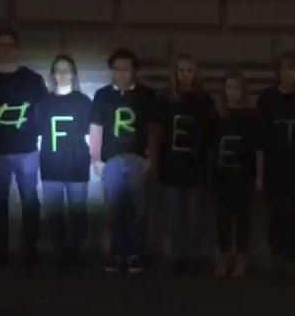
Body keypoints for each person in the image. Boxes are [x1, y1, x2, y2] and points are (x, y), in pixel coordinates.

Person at [0, 27, 47, 267]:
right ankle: (0, 250)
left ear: (16, 48)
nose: (5, 49)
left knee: (30, 201)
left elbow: (42, 111)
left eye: (9, 44)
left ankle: (30, 248)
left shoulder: (32, 79)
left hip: (27, 150)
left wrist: (31, 132)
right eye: (1, 44)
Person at [90, 48, 160, 274]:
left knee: (138, 209)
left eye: (126, 68)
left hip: (137, 159)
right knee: (113, 210)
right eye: (117, 68)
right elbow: (96, 127)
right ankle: (117, 251)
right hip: (110, 160)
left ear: (134, 71)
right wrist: (96, 159)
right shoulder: (102, 95)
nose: (121, 73)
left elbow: (153, 129)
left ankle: (135, 253)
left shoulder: (146, 95)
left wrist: (151, 158)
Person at [257, 51, 295, 272]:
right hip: (274, 166)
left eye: (292, 69)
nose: (287, 73)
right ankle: (276, 255)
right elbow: (261, 138)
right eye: (283, 68)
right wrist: (260, 172)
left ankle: (291, 256)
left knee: (294, 213)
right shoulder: (268, 98)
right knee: (275, 213)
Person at [158, 55, 218, 276]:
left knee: (194, 216)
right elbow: (158, 134)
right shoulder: (165, 100)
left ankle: (193, 256)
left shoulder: (205, 101)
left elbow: (212, 136)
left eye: (189, 70)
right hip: (171, 165)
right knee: (174, 215)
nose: (185, 74)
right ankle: (175, 256)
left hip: (196, 166)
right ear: (175, 73)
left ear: (196, 74)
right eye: (181, 70)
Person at [35, 55, 92, 267]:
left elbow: (92, 133)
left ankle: (74, 252)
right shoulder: (44, 103)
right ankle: (59, 251)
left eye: (66, 69)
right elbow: (37, 132)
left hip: (77, 165)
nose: (62, 74)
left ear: (73, 74)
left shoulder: (84, 102)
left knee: (78, 212)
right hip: (51, 165)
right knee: (54, 213)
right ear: (52, 75)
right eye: (58, 70)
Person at [211, 71, 262, 278]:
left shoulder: (252, 116)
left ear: (243, 90)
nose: (233, 91)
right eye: (229, 87)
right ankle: (223, 258)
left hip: (244, 175)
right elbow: (211, 146)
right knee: (222, 220)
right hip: (221, 174)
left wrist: (259, 176)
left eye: (237, 87)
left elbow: (258, 149)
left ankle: (241, 260)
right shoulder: (218, 116)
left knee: (242, 220)